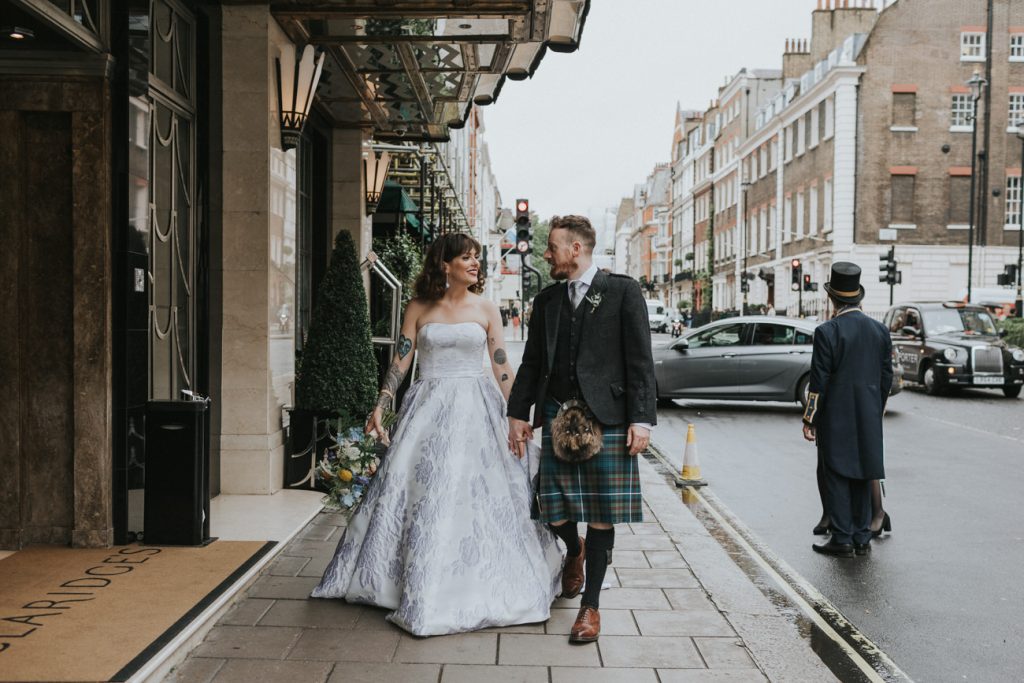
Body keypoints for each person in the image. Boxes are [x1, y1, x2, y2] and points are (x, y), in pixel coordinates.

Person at [312, 233, 562, 635]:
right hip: (427, 408)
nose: (476, 263)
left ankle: (469, 583)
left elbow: (500, 364)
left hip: (477, 409)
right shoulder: (418, 307)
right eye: (467, 257)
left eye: (477, 258)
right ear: (444, 265)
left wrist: (517, 416)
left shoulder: (485, 308)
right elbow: (402, 359)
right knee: (423, 491)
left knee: (476, 493)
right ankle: (409, 580)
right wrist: (381, 404)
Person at [507, 215, 657, 643]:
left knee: (602, 517)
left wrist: (641, 419)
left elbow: (640, 361)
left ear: (576, 249)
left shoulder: (623, 292)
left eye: (552, 247)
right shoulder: (549, 300)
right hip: (557, 415)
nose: (546, 254)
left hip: (607, 417)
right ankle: (573, 552)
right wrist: (518, 413)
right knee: (550, 504)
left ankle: (590, 607)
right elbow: (532, 363)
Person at [803, 262, 893, 558]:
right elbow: (885, 377)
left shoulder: (827, 332)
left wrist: (810, 418)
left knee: (838, 473)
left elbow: (819, 381)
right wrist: (875, 408)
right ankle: (862, 537)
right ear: (857, 296)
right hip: (868, 414)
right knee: (863, 470)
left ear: (832, 298)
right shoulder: (880, 330)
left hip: (836, 415)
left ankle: (842, 537)